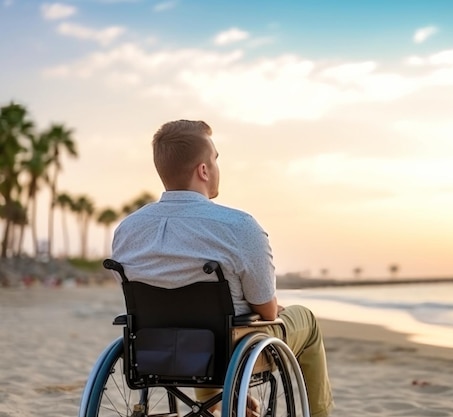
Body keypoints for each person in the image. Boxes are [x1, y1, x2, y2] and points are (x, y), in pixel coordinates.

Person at [111, 119, 334, 417]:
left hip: (154, 349)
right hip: (231, 352)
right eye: (215, 159)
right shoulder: (239, 227)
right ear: (203, 170)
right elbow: (266, 312)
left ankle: (215, 401)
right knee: (305, 320)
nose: (216, 167)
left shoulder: (127, 230)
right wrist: (272, 310)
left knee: (203, 330)